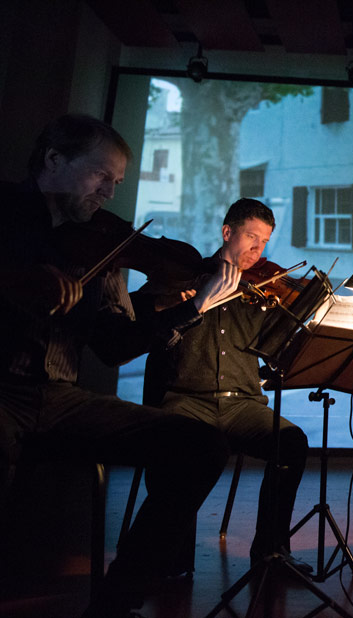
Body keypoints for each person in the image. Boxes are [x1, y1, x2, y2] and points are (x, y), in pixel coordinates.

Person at [0, 113, 237, 618]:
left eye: (118, 182)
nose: (109, 193)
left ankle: (115, 603)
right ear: (54, 161)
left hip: (59, 399)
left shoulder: (103, 248)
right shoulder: (4, 213)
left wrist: (191, 307)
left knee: (200, 445)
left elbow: (113, 347)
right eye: (100, 176)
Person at [136, 198, 310, 568]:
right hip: (185, 401)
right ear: (227, 232)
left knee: (292, 443)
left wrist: (297, 327)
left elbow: (277, 352)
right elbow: (144, 331)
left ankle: (271, 550)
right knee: (186, 449)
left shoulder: (263, 290)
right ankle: (170, 558)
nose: (257, 250)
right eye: (251, 236)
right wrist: (182, 307)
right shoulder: (183, 279)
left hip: (242, 405)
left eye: (264, 242)